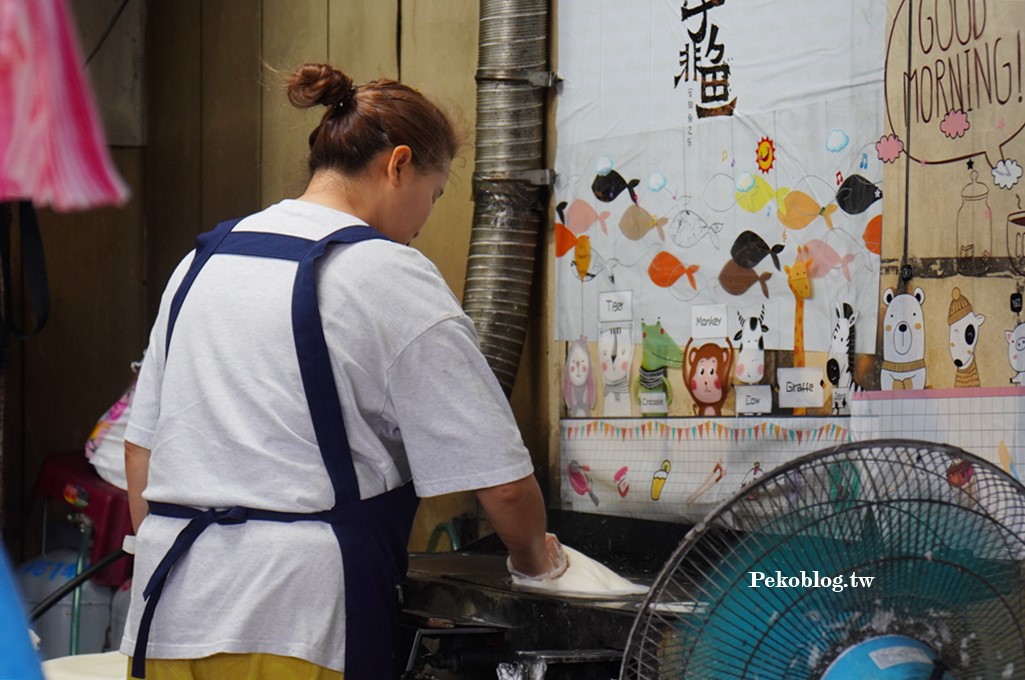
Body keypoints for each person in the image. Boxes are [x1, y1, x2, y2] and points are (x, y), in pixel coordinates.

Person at [120, 62, 566, 680]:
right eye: (433, 196)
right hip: (298, 625)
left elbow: (141, 452)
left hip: (169, 615)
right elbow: (505, 483)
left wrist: (188, 570)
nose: (421, 221)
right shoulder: (387, 273)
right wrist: (539, 565)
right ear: (399, 164)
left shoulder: (201, 262)